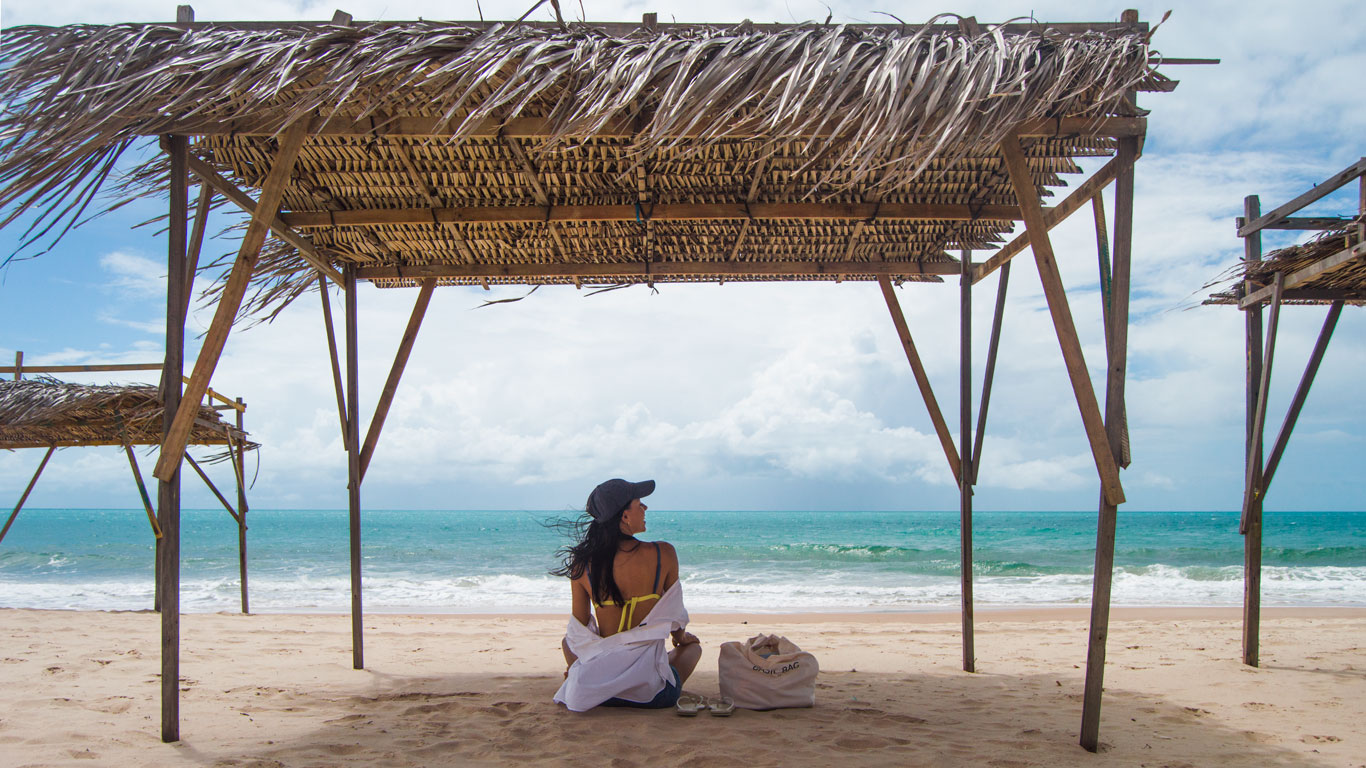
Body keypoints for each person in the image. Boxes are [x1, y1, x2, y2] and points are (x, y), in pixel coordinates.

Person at [551, 478, 702, 711]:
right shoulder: (664, 553)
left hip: (594, 690)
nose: (645, 508)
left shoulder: (582, 564)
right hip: (653, 695)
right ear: (624, 516)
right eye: (639, 503)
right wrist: (681, 638)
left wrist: (579, 667)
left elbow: (577, 634)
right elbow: (674, 618)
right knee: (693, 649)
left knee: (566, 642)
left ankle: (585, 678)